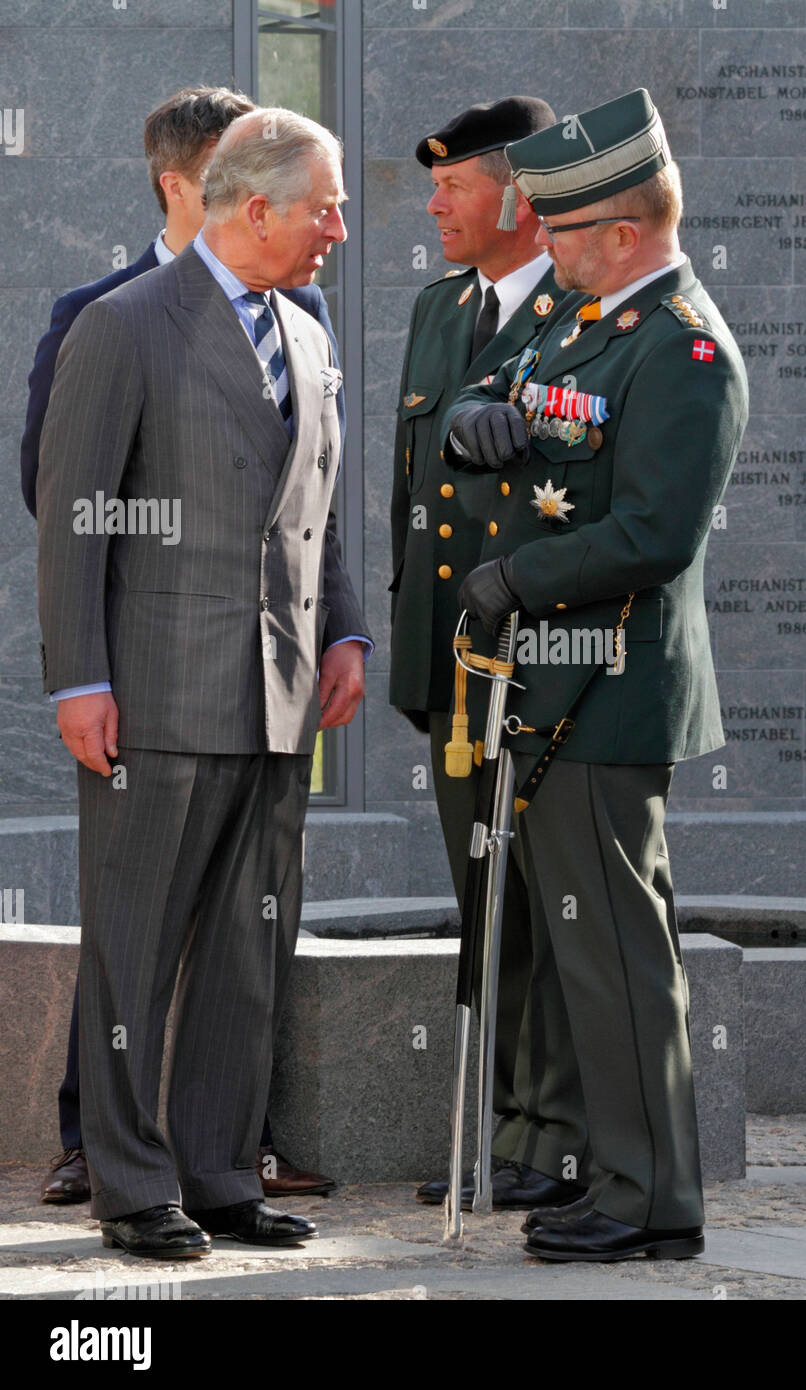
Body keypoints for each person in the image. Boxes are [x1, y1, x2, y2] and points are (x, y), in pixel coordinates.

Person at [35, 108, 370, 1258]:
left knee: (247, 943)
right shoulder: (122, 325)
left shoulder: (312, 334)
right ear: (256, 207)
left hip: (282, 693)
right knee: (133, 945)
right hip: (157, 691)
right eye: (325, 204)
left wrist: (347, 633)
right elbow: (73, 520)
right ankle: (133, 1184)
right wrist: (78, 677)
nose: (340, 225)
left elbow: (327, 511)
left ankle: (222, 1173)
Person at [442, 88, 749, 1261]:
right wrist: (478, 414)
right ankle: (614, 1173)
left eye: (563, 231)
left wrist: (514, 582)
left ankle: (651, 1198)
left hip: (607, 686)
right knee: (586, 949)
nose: (545, 245)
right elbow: (504, 386)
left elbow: (653, 533)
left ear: (622, 231)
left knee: (620, 952)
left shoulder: (683, 345)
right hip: (544, 687)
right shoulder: (579, 319)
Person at [387, 96, 582, 1213]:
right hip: (449, 667)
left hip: (538, 664)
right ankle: (500, 1127)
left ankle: (549, 1138)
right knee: (484, 902)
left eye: (453, 185)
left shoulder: (581, 307)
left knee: (548, 909)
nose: (435, 204)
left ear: (516, 194)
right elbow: (410, 499)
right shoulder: (438, 307)